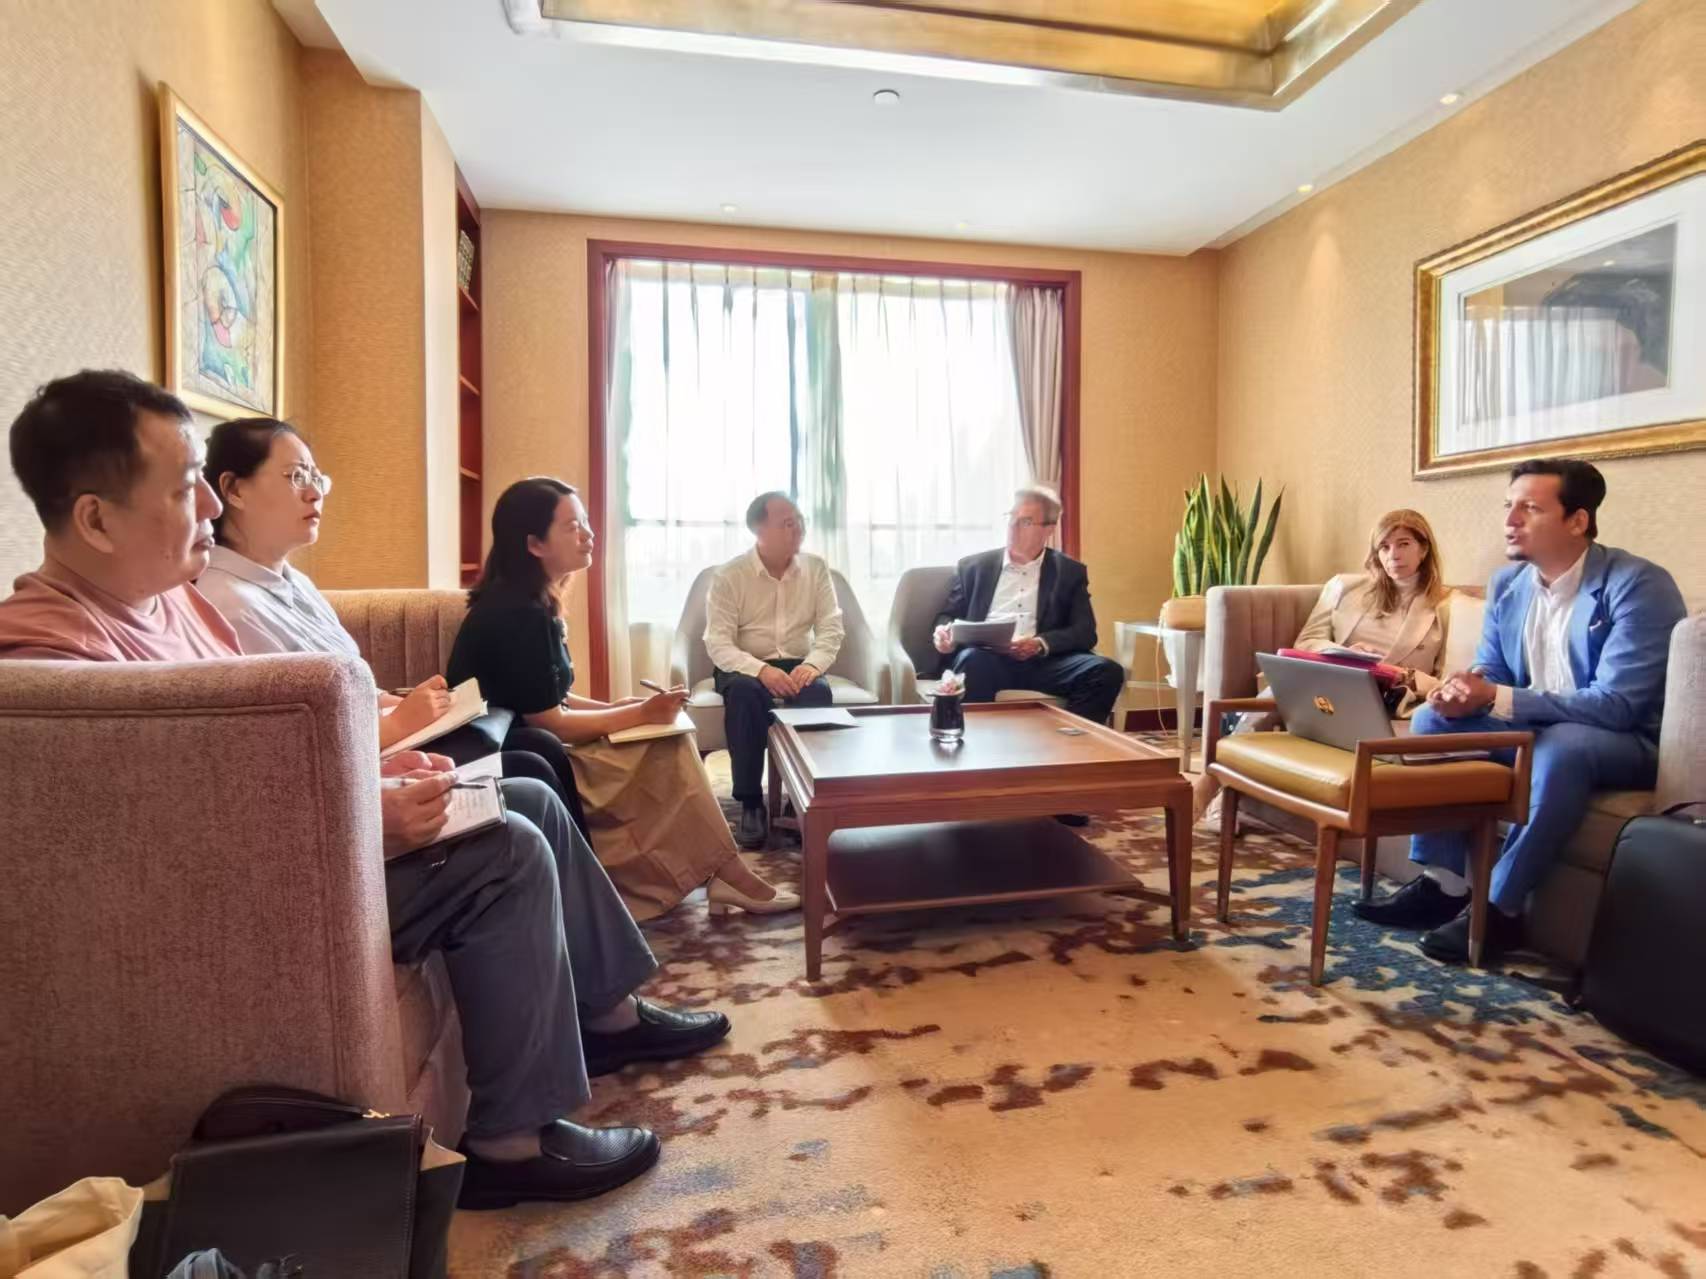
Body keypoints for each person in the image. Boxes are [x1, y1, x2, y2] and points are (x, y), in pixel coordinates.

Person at [0, 370, 733, 1206]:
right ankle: (510, 1143)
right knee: (509, 847)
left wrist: (381, 775)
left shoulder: (169, 605)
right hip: (268, 895)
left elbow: (253, 762)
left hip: (305, 842)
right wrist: (368, 816)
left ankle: (605, 1014)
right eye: (184, 487)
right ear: (96, 519)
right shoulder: (55, 669)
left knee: (523, 794)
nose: (206, 505)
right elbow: (171, 846)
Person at [1355, 459, 1686, 964]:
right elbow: (1493, 668)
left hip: (1622, 739)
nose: (1510, 521)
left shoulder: (1638, 584)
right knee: (1432, 720)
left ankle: (1500, 909)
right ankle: (1443, 886)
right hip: (1539, 726)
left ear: (1577, 520)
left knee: (1562, 748)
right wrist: (1465, 689)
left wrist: (1495, 697)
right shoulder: (1509, 584)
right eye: (1508, 506)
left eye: (1529, 508)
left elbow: (1618, 706)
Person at [193, 417, 589, 831]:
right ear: (234, 489)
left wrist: (404, 703)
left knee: (535, 750)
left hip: (382, 742)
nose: (314, 492)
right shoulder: (229, 606)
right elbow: (292, 744)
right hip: (356, 774)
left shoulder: (295, 583)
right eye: (295, 477)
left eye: (316, 477)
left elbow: (348, 688)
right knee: (531, 767)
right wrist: (400, 722)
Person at [447, 477, 798, 920]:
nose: (588, 534)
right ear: (534, 544)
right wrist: (639, 713)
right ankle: (724, 874)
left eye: (585, 522)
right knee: (666, 748)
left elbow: (551, 696)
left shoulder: (532, 603)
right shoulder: (517, 615)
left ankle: (723, 872)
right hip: (517, 755)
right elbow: (550, 721)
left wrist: (622, 708)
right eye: (572, 527)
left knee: (666, 735)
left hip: (538, 739)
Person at [703, 491, 845, 849]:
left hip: (798, 663)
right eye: (787, 523)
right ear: (759, 530)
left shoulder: (816, 569)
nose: (798, 528)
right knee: (745, 694)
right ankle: (751, 802)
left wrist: (812, 665)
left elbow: (831, 629)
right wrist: (761, 671)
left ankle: (799, 800)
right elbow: (718, 644)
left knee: (816, 692)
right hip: (742, 664)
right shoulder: (730, 576)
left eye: (799, 520)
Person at [932, 485, 1123, 725]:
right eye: (1011, 517)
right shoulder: (974, 567)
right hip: (986, 659)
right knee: (971, 661)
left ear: (1049, 529)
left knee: (1107, 671)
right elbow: (947, 616)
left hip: (1045, 663)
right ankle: (977, 742)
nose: (1013, 526)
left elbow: (1085, 632)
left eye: (1026, 521)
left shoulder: (1069, 572)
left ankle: (1069, 740)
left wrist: (1040, 644)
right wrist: (943, 635)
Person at [1287, 508, 1453, 712]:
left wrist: (1406, 677)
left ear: (1424, 550)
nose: (1393, 555)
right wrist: (1343, 655)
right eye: (1384, 547)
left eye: (1404, 544)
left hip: (1391, 700)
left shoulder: (1446, 605)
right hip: (1333, 685)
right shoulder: (1343, 587)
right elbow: (1306, 643)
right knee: (1282, 697)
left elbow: (1448, 681)